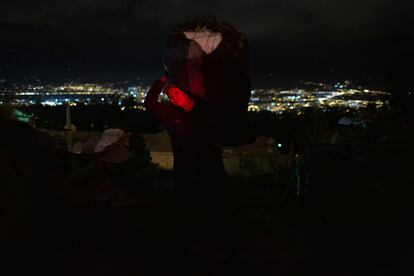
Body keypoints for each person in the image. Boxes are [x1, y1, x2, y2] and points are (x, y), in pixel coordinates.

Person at [144, 75, 226, 198]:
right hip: (182, 164)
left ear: (185, 92)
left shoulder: (203, 108)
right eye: (170, 96)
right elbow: (150, 103)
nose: (173, 98)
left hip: (207, 165)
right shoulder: (170, 113)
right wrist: (162, 81)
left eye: (175, 93)